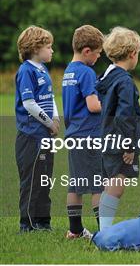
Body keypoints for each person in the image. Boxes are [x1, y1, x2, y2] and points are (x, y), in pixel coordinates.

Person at [96, 27, 140, 230]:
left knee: (111, 185)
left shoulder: (107, 75)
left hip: (108, 138)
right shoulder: (124, 80)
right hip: (119, 141)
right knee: (116, 187)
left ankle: (104, 229)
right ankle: (105, 231)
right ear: (132, 54)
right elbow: (124, 115)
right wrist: (129, 145)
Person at [15, 26, 59, 232]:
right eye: (48, 47)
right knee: (31, 181)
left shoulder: (43, 69)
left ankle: (43, 221)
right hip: (31, 136)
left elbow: (49, 97)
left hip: (46, 135)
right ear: (35, 48)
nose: (52, 51)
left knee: (44, 179)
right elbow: (29, 103)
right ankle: (28, 223)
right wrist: (49, 122)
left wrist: (56, 118)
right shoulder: (26, 70)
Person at [62, 25, 104, 238]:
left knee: (76, 184)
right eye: (97, 54)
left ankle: (75, 229)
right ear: (87, 51)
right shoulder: (87, 72)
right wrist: (108, 104)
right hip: (89, 134)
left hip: (73, 134)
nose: (98, 58)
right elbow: (93, 106)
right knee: (98, 185)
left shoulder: (68, 71)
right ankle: (104, 231)